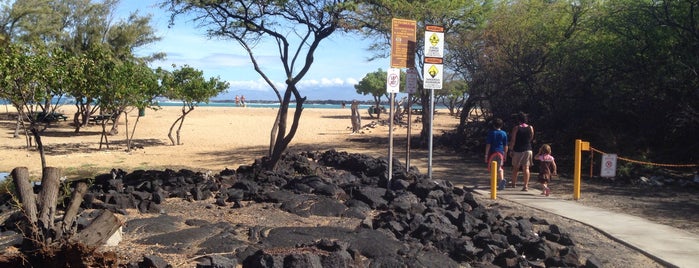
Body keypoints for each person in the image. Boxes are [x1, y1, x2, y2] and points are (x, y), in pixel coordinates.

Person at [509, 112, 534, 191]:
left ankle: (513, 183)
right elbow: (531, 137)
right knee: (526, 168)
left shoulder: (516, 128)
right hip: (528, 149)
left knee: (516, 168)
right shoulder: (530, 127)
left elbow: (513, 140)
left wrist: (511, 149)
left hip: (518, 149)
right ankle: (525, 185)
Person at [485, 118, 508, 190]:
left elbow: (488, 144)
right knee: (500, 167)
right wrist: (505, 154)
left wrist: (486, 154)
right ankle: (501, 180)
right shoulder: (504, 133)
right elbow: (505, 145)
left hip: (493, 152)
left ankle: (494, 183)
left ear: (493, 125)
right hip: (501, 152)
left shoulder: (491, 133)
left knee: (492, 168)